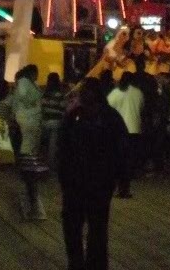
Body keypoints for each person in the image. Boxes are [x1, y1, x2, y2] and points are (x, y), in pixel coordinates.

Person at [58, 77, 127, 270]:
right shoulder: (109, 117)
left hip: (81, 182)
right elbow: (121, 148)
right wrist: (121, 178)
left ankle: (78, 263)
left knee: (76, 227)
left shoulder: (75, 118)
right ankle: (92, 264)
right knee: (95, 228)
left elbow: (63, 149)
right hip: (97, 182)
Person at [13, 64, 45, 218]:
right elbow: (26, 98)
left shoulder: (25, 83)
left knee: (28, 145)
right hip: (28, 119)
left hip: (29, 119)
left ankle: (28, 169)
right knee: (28, 146)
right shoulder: (25, 83)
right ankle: (28, 170)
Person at [107, 71, 143, 196]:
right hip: (135, 129)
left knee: (117, 159)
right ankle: (125, 185)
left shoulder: (116, 93)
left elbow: (108, 108)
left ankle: (117, 185)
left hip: (119, 130)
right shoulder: (138, 93)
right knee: (129, 159)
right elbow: (141, 108)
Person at [41, 71, 66, 169]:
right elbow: (64, 107)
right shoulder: (59, 95)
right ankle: (51, 165)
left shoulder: (45, 94)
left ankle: (43, 163)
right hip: (56, 122)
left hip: (45, 121)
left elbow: (42, 107)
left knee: (45, 144)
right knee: (53, 146)